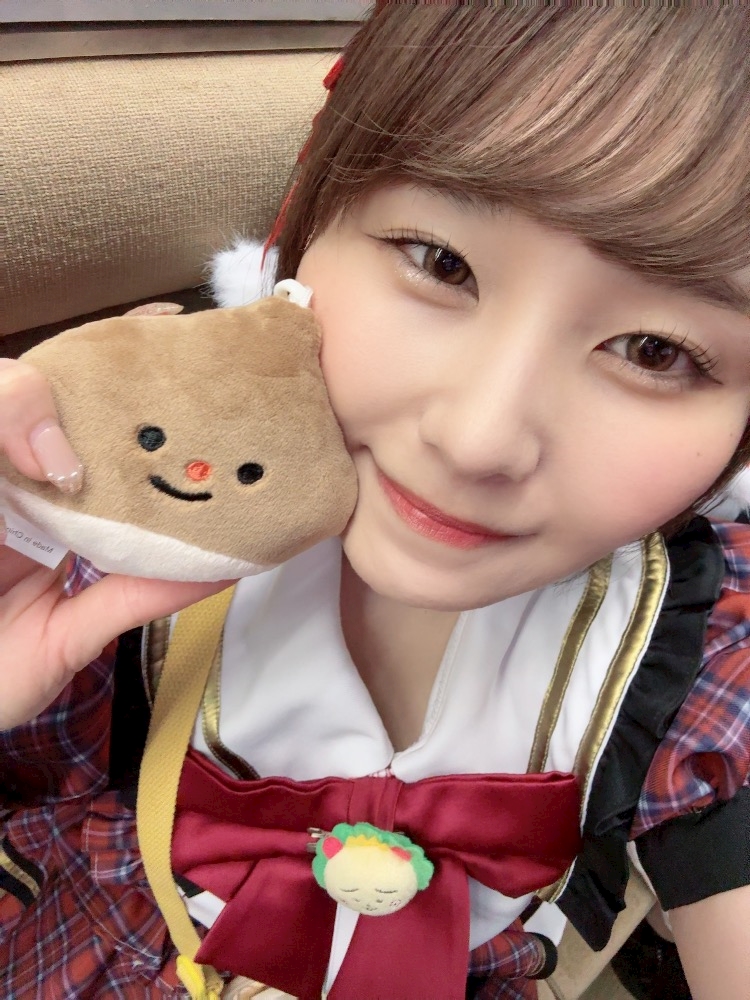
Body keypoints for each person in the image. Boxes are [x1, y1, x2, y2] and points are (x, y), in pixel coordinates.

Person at [1, 5, 748, 999]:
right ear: (303, 228)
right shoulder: (134, 509)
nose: (477, 438)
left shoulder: (693, 645)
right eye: (440, 261)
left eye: (655, 351)